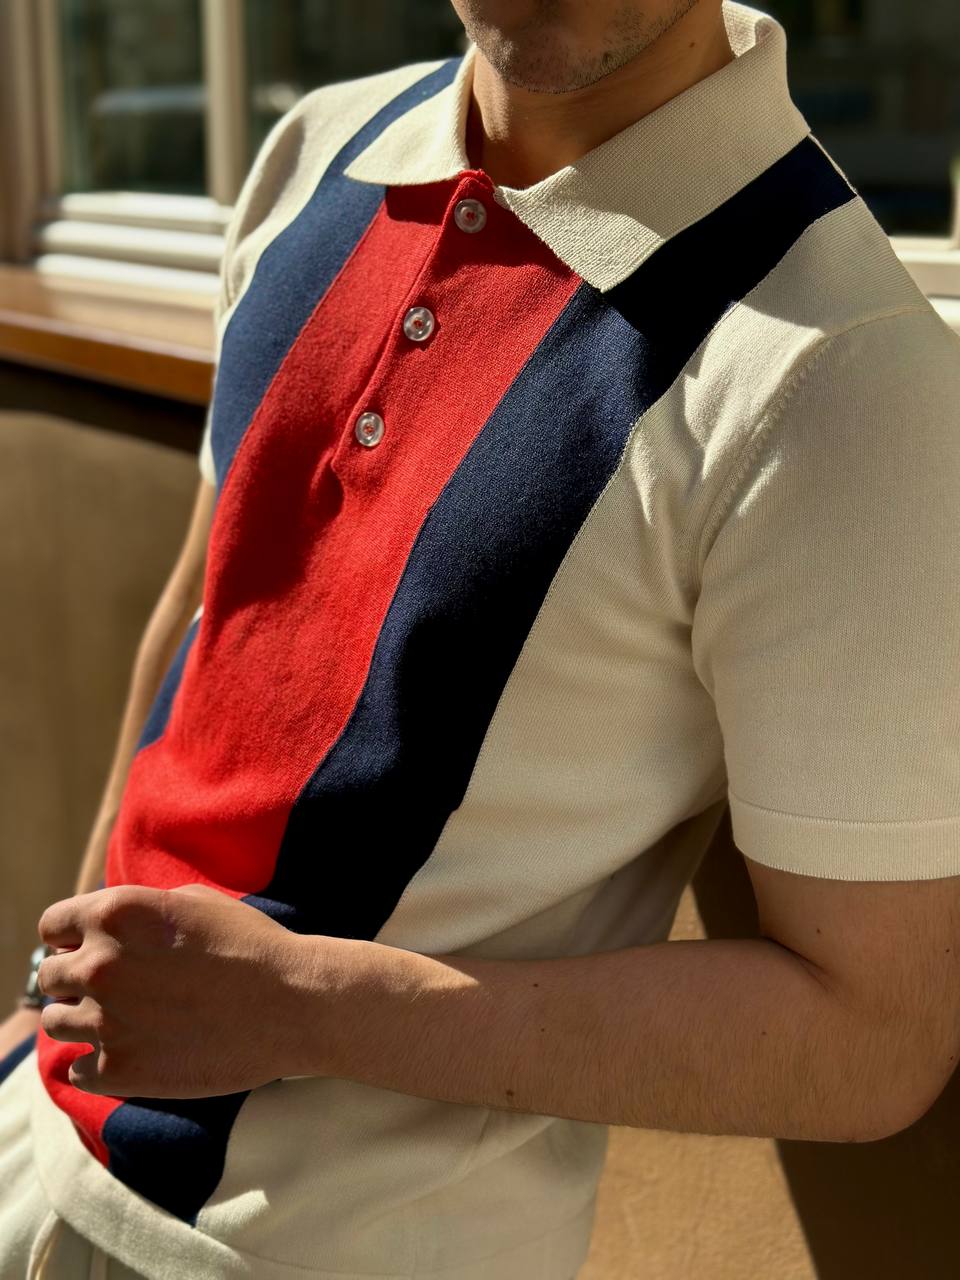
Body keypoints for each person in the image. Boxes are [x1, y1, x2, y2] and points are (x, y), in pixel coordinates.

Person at [3, 0, 960, 1276]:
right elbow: (200, 618)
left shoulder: (847, 372)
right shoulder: (318, 147)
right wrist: (39, 1003)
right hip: (31, 1132)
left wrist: (299, 1008)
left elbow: (875, 1036)